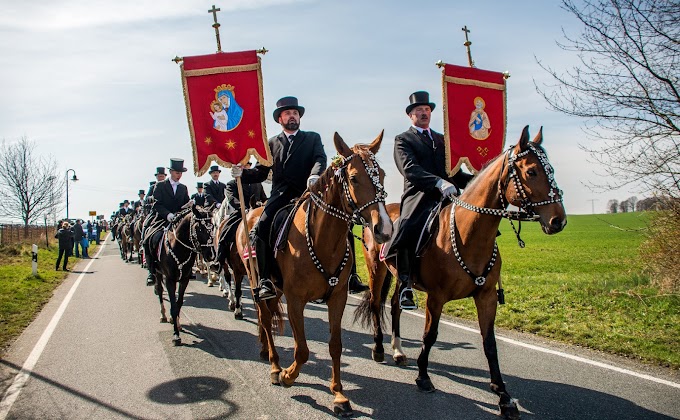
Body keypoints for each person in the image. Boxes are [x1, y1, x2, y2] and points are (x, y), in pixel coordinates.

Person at [232, 96, 326, 301]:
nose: (292, 116)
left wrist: (315, 175)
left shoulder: (312, 138)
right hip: (282, 195)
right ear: (279, 119)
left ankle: (350, 275)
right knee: (261, 226)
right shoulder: (271, 143)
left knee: (339, 219)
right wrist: (242, 174)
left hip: (309, 192)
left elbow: (320, 159)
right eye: (287, 114)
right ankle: (265, 279)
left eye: (295, 113)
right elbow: (261, 172)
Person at [385, 91, 473, 310]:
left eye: (426, 110)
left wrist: (478, 179)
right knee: (407, 227)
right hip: (419, 195)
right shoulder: (403, 140)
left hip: (449, 196)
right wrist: (437, 183)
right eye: (419, 111)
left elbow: (455, 173)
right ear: (410, 115)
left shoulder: (443, 140)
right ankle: (405, 283)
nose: (424, 113)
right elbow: (410, 169)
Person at [142, 158, 190, 286]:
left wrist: (188, 205)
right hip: (162, 219)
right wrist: (168, 215)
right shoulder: (160, 185)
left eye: (180, 173)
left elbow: (185, 203)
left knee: (190, 238)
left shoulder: (183, 188)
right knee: (149, 238)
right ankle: (151, 271)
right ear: (171, 172)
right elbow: (157, 204)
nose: (179, 175)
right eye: (177, 173)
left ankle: (188, 268)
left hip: (178, 220)